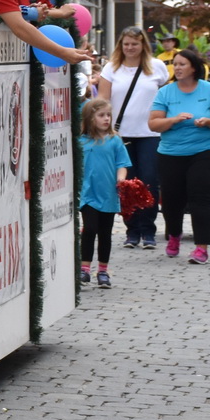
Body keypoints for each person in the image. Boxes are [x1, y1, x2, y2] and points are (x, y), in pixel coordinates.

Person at [147, 48, 210, 263]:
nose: (177, 67)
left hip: (205, 151)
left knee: (200, 197)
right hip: (171, 153)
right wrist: (173, 120)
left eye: (182, 64)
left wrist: (209, 122)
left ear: (194, 67)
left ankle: (202, 247)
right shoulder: (166, 92)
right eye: (175, 64)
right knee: (172, 201)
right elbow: (154, 124)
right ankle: (174, 235)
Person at [93, 27, 167, 249]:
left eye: (134, 43)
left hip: (150, 133)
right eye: (126, 44)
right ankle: (132, 229)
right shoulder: (112, 68)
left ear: (143, 45)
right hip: (121, 133)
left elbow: (164, 96)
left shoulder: (157, 67)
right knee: (126, 183)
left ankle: (149, 230)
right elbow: (104, 100)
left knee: (149, 181)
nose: (130, 48)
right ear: (120, 45)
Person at [77, 98, 131, 290]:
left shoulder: (115, 140)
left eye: (108, 115)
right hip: (88, 193)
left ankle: (103, 270)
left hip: (108, 193)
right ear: (90, 118)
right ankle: (84, 268)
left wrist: (121, 179)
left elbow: (122, 164)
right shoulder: (80, 141)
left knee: (105, 233)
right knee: (90, 228)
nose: (106, 119)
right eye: (101, 115)